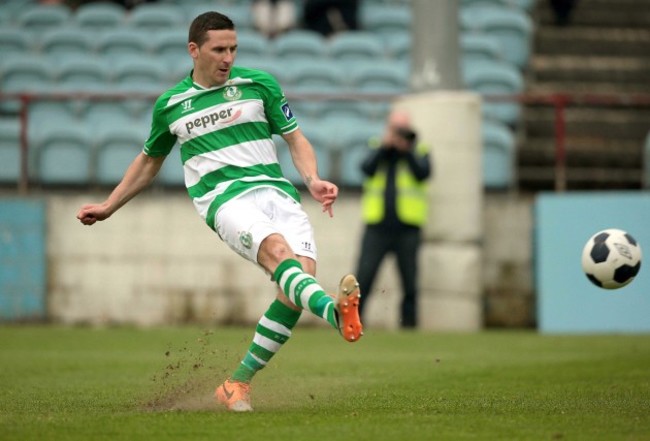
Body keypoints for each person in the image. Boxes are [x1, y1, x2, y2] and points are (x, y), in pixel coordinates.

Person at [76, 11, 363, 412]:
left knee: (295, 288)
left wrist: (312, 178)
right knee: (279, 253)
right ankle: (335, 313)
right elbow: (147, 162)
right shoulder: (171, 105)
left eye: (233, 48)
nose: (227, 57)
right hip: (226, 200)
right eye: (218, 49)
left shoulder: (259, 84)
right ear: (194, 50)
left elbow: (295, 138)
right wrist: (109, 205)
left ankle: (236, 384)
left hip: (278, 195)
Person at [354, 110, 431, 329]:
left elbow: (423, 173)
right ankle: (353, 323)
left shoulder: (420, 150)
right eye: (395, 128)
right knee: (364, 278)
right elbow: (365, 169)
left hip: (407, 228)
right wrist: (384, 147)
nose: (399, 134)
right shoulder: (376, 146)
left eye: (403, 129)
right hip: (377, 226)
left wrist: (407, 151)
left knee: (410, 283)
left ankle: (409, 327)